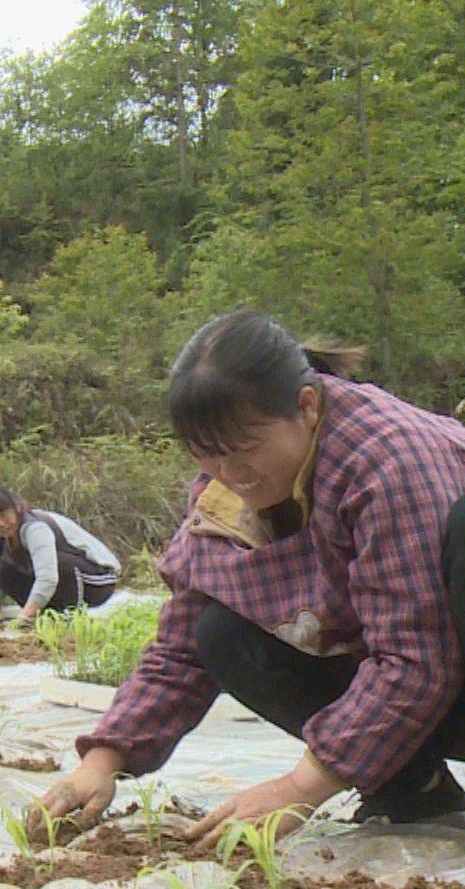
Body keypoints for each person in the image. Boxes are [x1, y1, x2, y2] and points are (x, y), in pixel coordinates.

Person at [36, 310, 465, 844]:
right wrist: (102, 761)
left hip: (449, 668)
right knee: (218, 631)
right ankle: (413, 790)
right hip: (424, 690)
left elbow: (418, 655)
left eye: (245, 450)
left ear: (307, 407)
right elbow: (179, 648)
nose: (232, 474)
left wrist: (299, 788)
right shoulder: (224, 489)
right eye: (206, 455)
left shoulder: (389, 459)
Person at [0, 485, 121, 619]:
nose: (1, 524)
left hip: (99, 580)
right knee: (1, 571)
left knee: (58, 564)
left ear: (16, 509)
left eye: (4, 515)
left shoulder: (34, 529)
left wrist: (24, 616)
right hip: (63, 581)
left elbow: (47, 579)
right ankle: (46, 615)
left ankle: (70, 615)